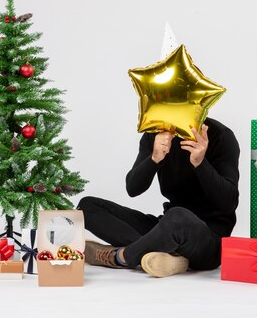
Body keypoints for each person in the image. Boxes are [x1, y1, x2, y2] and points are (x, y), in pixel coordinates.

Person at [77, 118, 240, 277]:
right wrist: (154, 158)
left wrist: (200, 162)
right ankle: (168, 257)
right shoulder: (154, 135)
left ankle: (121, 257)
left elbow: (228, 203)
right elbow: (133, 189)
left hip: (209, 240)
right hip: (167, 227)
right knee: (87, 207)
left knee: (178, 217)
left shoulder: (221, 135)